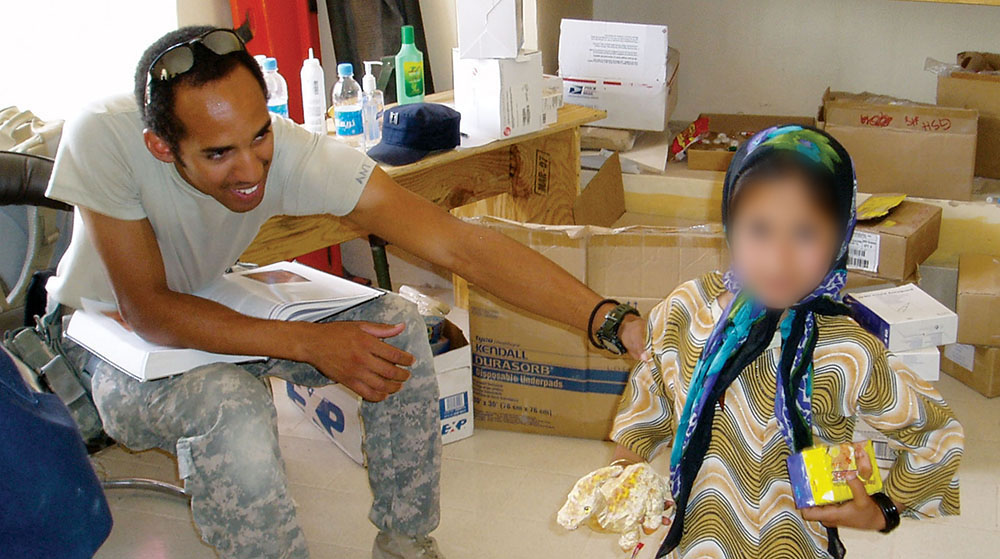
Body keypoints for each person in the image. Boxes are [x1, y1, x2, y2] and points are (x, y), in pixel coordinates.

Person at [43, 26, 645, 559]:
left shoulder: (289, 153)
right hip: (106, 339)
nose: (251, 170)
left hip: (215, 302)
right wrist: (310, 344)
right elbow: (148, 310)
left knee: (397, 328)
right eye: (219, 153)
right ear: (161, 147)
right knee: (234, 407)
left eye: (259, 136)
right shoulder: (104, 137)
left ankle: (405, 543)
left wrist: (612, 320)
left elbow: (459, 246)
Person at [605, 126, 963, 558]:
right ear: (729, 225)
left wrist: (883, 509)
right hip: (702, 545)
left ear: (841, 237)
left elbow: (936, 432)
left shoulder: (848, 348)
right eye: (759, 229)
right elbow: (651, 400)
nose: (780, 258)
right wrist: (624, 471)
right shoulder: (685, 312)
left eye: (806, 234)